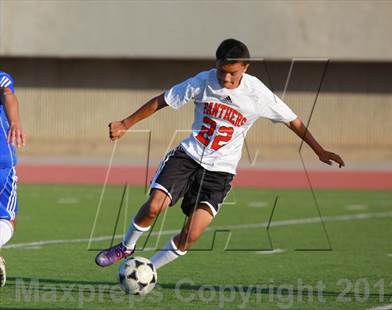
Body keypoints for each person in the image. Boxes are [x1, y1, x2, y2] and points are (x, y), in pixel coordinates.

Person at [95, 39, 345, 270]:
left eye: (233, 72)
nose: (226, 77)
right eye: (222, 70)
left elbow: (294, 121)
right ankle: (125, 247)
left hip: (220, 172)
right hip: (188, 157)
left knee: (191, 235)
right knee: (154, 206)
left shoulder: (258, 94)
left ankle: (149, 270)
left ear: (245, 68)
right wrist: (125, 124)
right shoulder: (202, 81)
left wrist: (319, 150)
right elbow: (161, 101)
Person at [0, 70, 25, 287]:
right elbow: (7, 92)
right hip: (2, 160)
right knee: (8, 218)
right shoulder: (2, 76)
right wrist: (15, 122)